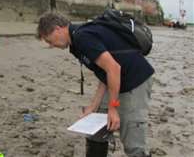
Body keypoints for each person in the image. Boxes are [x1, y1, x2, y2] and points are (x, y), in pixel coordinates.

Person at [36, 12, 154, 157]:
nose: (51, 45)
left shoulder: (82, 37)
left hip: (135, 81)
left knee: (133, 143)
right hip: (116, 79)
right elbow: (104, 74)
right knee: (96, 131)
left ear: (57, 29)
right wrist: (92, 107)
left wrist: (113, 108)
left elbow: (113, 69)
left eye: (49, 41)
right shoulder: (75, 43)